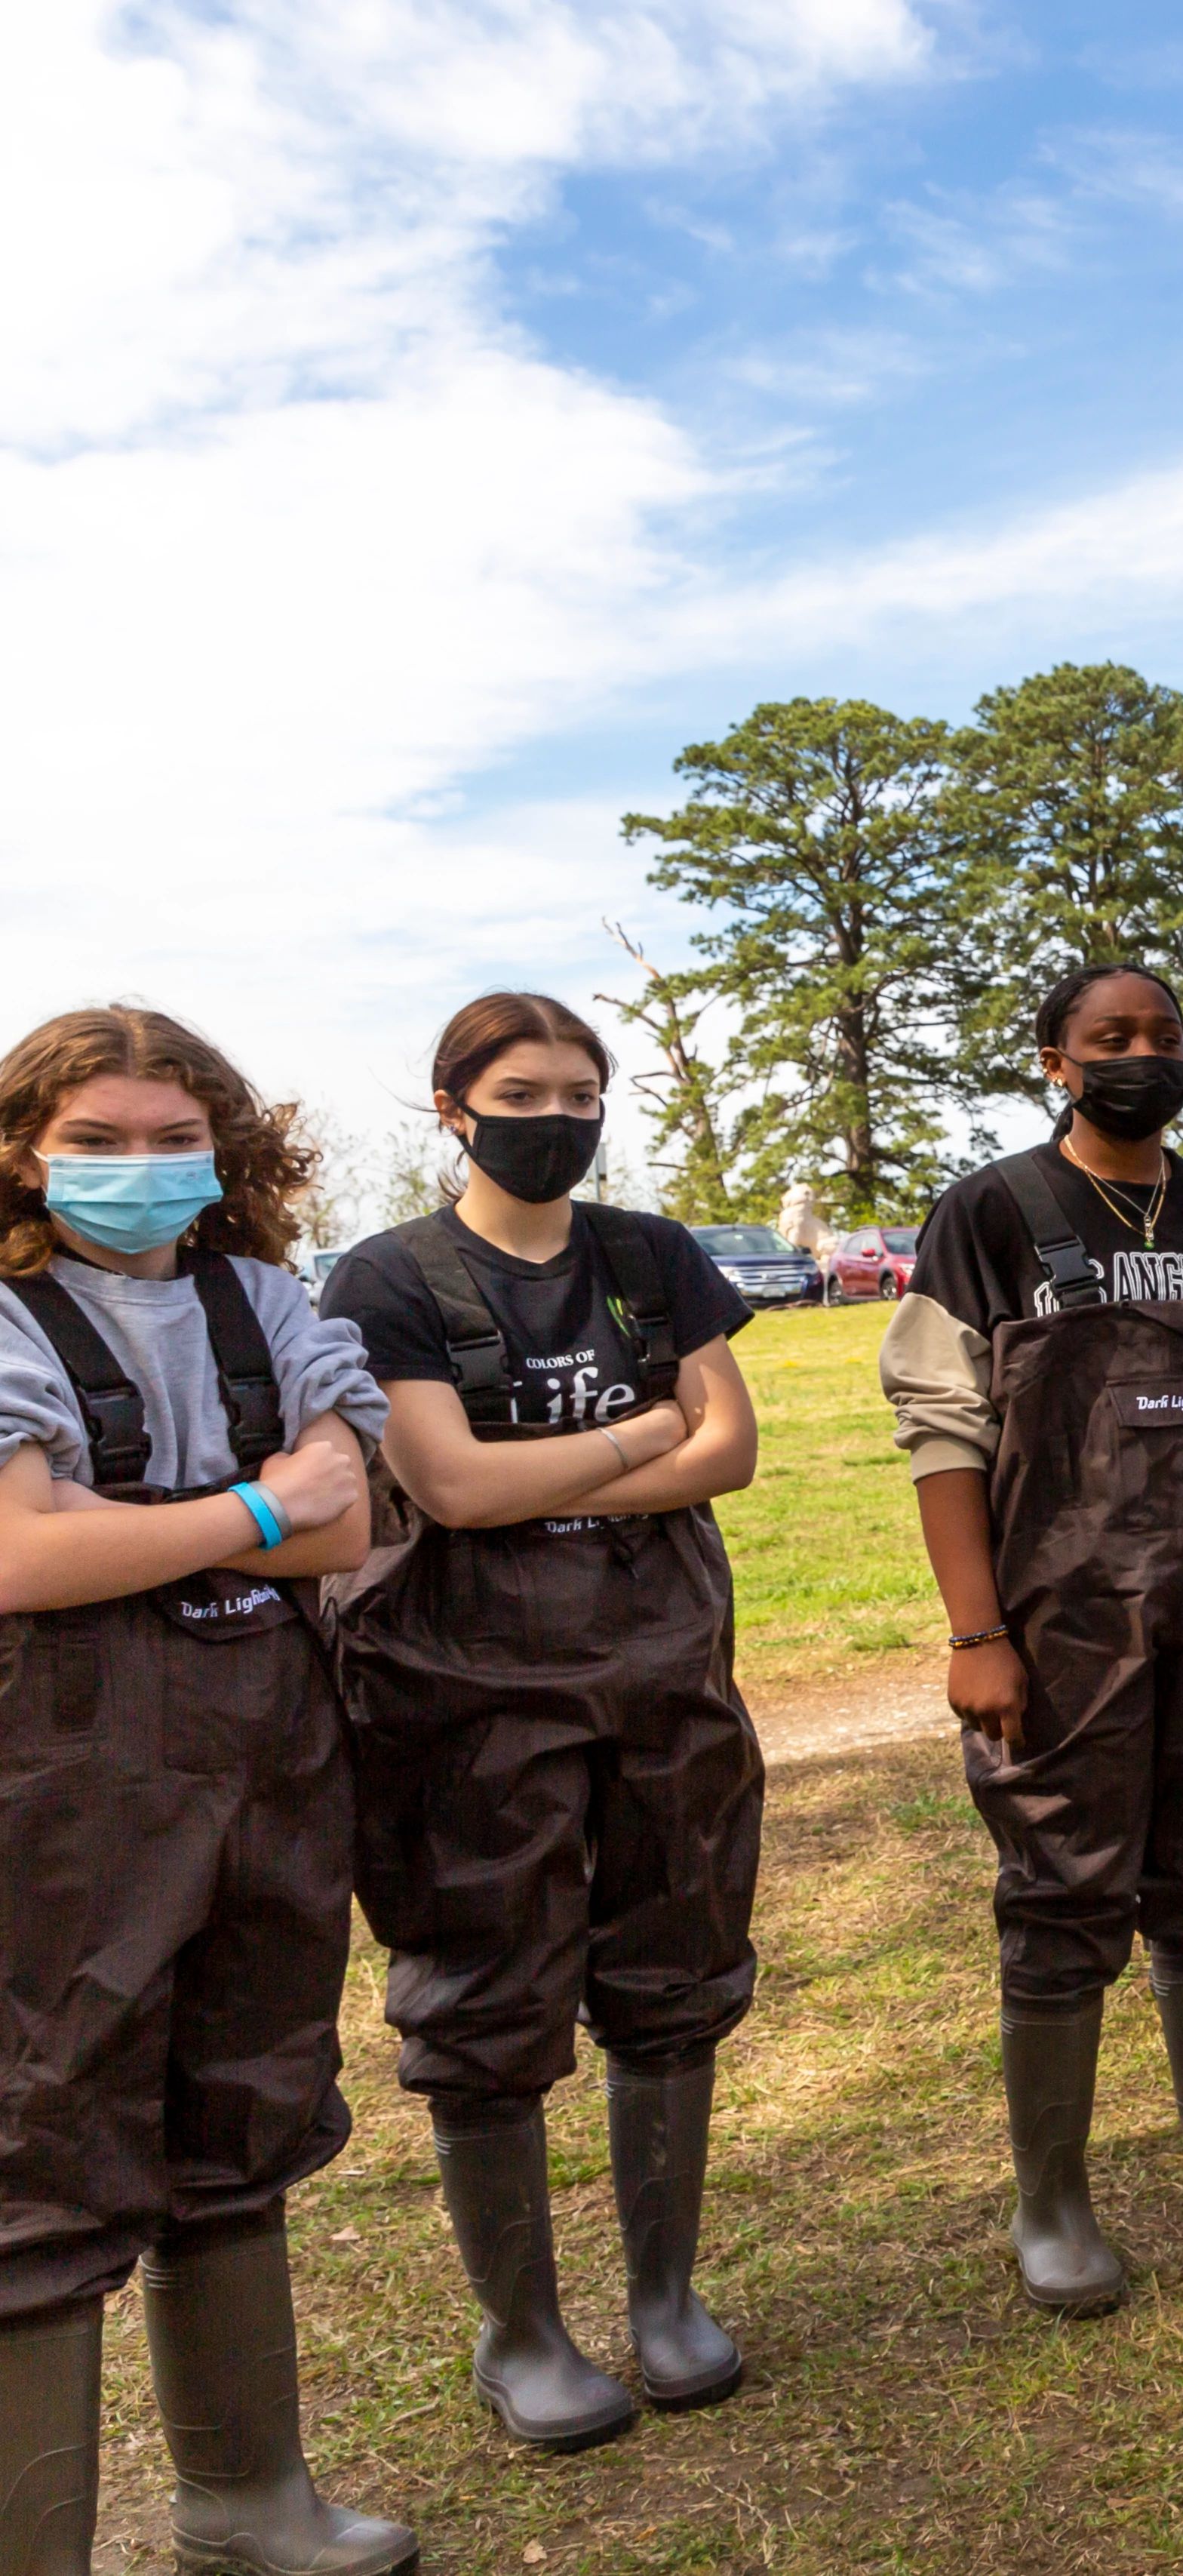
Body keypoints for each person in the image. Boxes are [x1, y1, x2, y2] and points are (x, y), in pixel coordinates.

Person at [318, 994, 764, 2448]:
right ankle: (521, 2332)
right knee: (487, 1994)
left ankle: (665, 2296)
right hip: (467, 1686)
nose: (558, 1114)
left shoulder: (652, 1254)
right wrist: (644, 1435)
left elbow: (738, 1446)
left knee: (677, 1965)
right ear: (452, 1104)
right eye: (523, 1089)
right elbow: (451, 1487)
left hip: (661, 1665)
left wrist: (560, 1468)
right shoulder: (388, 1276)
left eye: (583, 1089)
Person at [0, 1006, 413, 2576]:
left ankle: (250, 2500)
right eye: (93, 1139)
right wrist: (251, 1495)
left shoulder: (263, 1293)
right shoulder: (9, 1312)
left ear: (226, 1146)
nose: (135, 1166)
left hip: (268, 1752)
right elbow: (18, 1554)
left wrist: (132, 1523)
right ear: (29, 1151)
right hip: (58, 1779)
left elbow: (346, 1524)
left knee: (240, 2114)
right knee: (40, 2150)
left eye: (170, 1135)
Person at [883, 961, 1183, 2315]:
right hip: (1061, 1617)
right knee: (1065, 1890)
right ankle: (1052, 2199)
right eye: (1110, 1037)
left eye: (1165, 1034)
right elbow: (942, 1432)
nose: (1144, 1053)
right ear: (1055, 1061)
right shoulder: (991, 1211)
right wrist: (977, 1629)